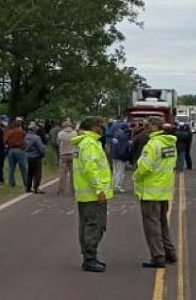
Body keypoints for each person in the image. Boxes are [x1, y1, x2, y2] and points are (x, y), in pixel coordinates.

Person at [133, 116, 177, 269]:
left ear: (154, 127)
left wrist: (136, 177)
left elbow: (145, 167)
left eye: (148, 125)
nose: (145, 127)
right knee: (163, 223)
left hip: (150, 190)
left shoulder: (152, 145)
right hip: (164, 189)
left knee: (151, 226)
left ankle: (158, 256)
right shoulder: (170, 144)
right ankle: (170, 252)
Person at [71, 116, 113, 273]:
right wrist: (99, 189)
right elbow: (91, 168)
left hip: (85, 193)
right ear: (92, 127)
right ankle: (90, 258)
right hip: (92, 193)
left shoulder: (85, 142)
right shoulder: (89, 144)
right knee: (95, 225)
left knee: (87, 224)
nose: (102, 129)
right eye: (99, 126)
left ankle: (89, 256)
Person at [4, 117, 28, 190]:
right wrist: (24, 147)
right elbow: (26, 140)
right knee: (23, 168)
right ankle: (26, 183)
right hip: (20, 150)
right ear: (19, 125)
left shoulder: (9, 132)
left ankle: (11, 183)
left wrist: (8, 146)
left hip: (11, 150)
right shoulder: (22, 132)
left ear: (13, 125)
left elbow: (5, 141)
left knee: (11, 168)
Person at [57, 120, 77, 195]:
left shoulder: (60, 134)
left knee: (62, 173)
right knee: (73, 173)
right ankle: (74, 189)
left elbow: (58, 143)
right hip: (72, 154)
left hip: (63, 155)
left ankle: (61, 189)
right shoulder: (75, 133)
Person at [25, 121, 46, 193]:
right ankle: (36, 188)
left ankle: (28, 187)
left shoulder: (26, 137)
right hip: (36, 157)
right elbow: (41, 148)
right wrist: (43, 155)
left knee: (29, 173)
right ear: (34, 129)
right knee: (37, 173)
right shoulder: (36, 138)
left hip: (28, 156)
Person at [112, 122, 131, 193]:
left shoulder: (116, 134)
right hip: (120, 157)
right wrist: (124, 157)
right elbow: (122, 148)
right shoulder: (123, 136)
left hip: (114, 156)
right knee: (120, 172)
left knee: (115, 171)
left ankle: (114, 185)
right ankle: (118, 186)